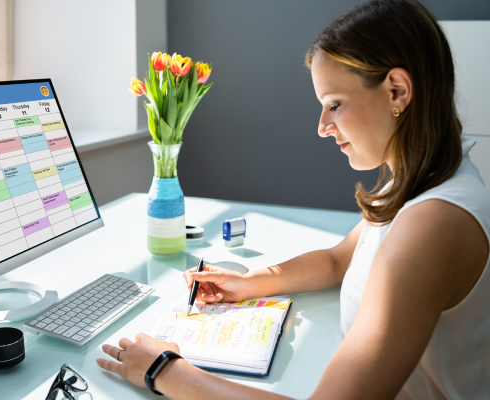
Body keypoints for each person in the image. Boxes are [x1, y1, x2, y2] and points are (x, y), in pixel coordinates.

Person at [97, 0, 490, 398]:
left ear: (397, 91)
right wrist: (250, 283)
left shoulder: (434, 223)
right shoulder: (419, 177)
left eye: (334, 104)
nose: (322, 127)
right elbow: (340, 259)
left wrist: (165, 370)